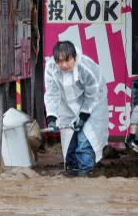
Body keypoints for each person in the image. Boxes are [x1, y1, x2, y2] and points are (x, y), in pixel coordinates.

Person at [44, 41, 109, 177]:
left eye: (67, 60)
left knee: (85, 140)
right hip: (67, 106)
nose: (63, 65)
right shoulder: (51, 68)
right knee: (69, 142)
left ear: (74, 57)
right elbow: (52, 93)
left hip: (93, 105)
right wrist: (52, 117)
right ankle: (72, 171)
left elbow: (93, 94)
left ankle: (85, 173)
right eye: (59, 61)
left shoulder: (86, 67)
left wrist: (84, 116)